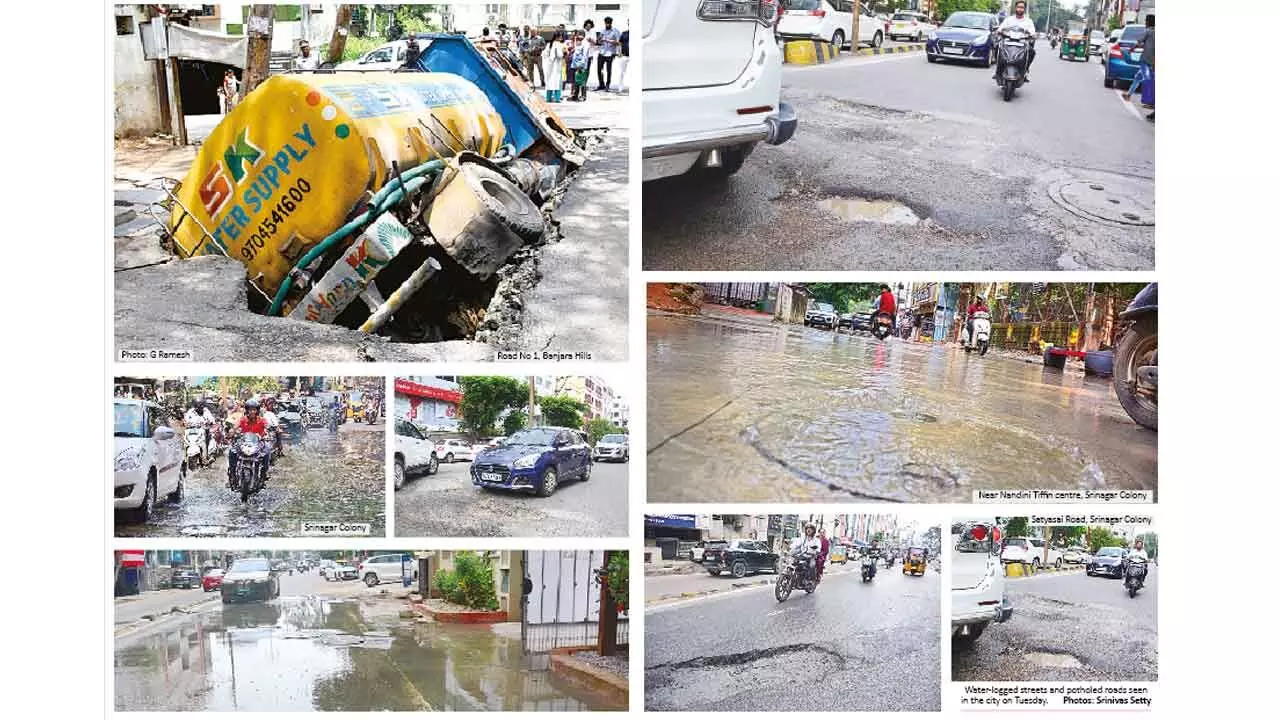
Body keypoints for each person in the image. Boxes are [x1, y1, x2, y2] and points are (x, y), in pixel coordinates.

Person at [228, 398, 269, 488]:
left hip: (258, 443)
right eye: (250, 409)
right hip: (244, 444)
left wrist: (267, 434)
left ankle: (263, 475)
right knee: (232, 451)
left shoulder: (262, 420)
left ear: (257, 410)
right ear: (247, 410)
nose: (252, 412)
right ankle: (232, 474)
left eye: (254, 409)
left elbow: (267, 428)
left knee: (267, 451)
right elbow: (234, 428)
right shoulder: (242, 420)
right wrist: (231, 433)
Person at [994, 0, 1037, 82]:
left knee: (1032, 52)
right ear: (1015, 8)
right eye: (1018, 7)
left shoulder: (1028, 21)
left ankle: (1025, 70)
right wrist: (999, 31)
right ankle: (998, 70)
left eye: (1022, 8)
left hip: (1022, 43)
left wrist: (1031, 35)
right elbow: (1000, 29)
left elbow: (1032, 32)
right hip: (1007, 42)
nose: (1020, 9)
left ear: (1024, 9)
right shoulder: (1009, 19)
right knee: (997, 47)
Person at [1133, 14, 1154, 121]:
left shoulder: (1149, 31)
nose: (1145, 22)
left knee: (1148, 81)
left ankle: (1150, 102)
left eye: (1146, 21)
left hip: (1148, 61)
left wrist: (1133, 48)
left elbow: (1138, 42)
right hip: (1153, 62)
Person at [597, 16, 621, 92]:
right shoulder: (602, 31)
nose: (607, 25)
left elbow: (618, 43)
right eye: (606, 23)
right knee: (599, 69)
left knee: (608, 70)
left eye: (609, 23)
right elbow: (599, 41)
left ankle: (607, 85)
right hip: (601, 52)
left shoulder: (615, 31)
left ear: (611, 23)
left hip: (610, 53)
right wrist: (599, 39)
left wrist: (608, 40)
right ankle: (601, 84)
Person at [569, 31, 591, 102]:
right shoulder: (578, 42)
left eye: (579, 35)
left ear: (583, 35)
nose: (578, 36)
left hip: (581, 65)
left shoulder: (586, 44)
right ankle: (576, 95)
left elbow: (584, 56)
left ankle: (583, 96)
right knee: (577, 81)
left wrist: (581, 65)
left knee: (582, 81)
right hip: (575, 65)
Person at [545, 31, 566, 103]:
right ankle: (557, 98)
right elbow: (560, 55)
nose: (561, 37)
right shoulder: (559, 44)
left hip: (549, 65)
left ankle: (548, 98)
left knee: (549, 82)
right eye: (560, 36)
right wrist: (564, 53)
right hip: (556, 65)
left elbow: (545, 54)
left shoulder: (549, 44)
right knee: (557, 82)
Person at [616, 23, 629, 92]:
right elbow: (619, 43)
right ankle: (620, 87)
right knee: (621, 72)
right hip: (624, 55)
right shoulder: (624, 33)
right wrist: (619, 52)